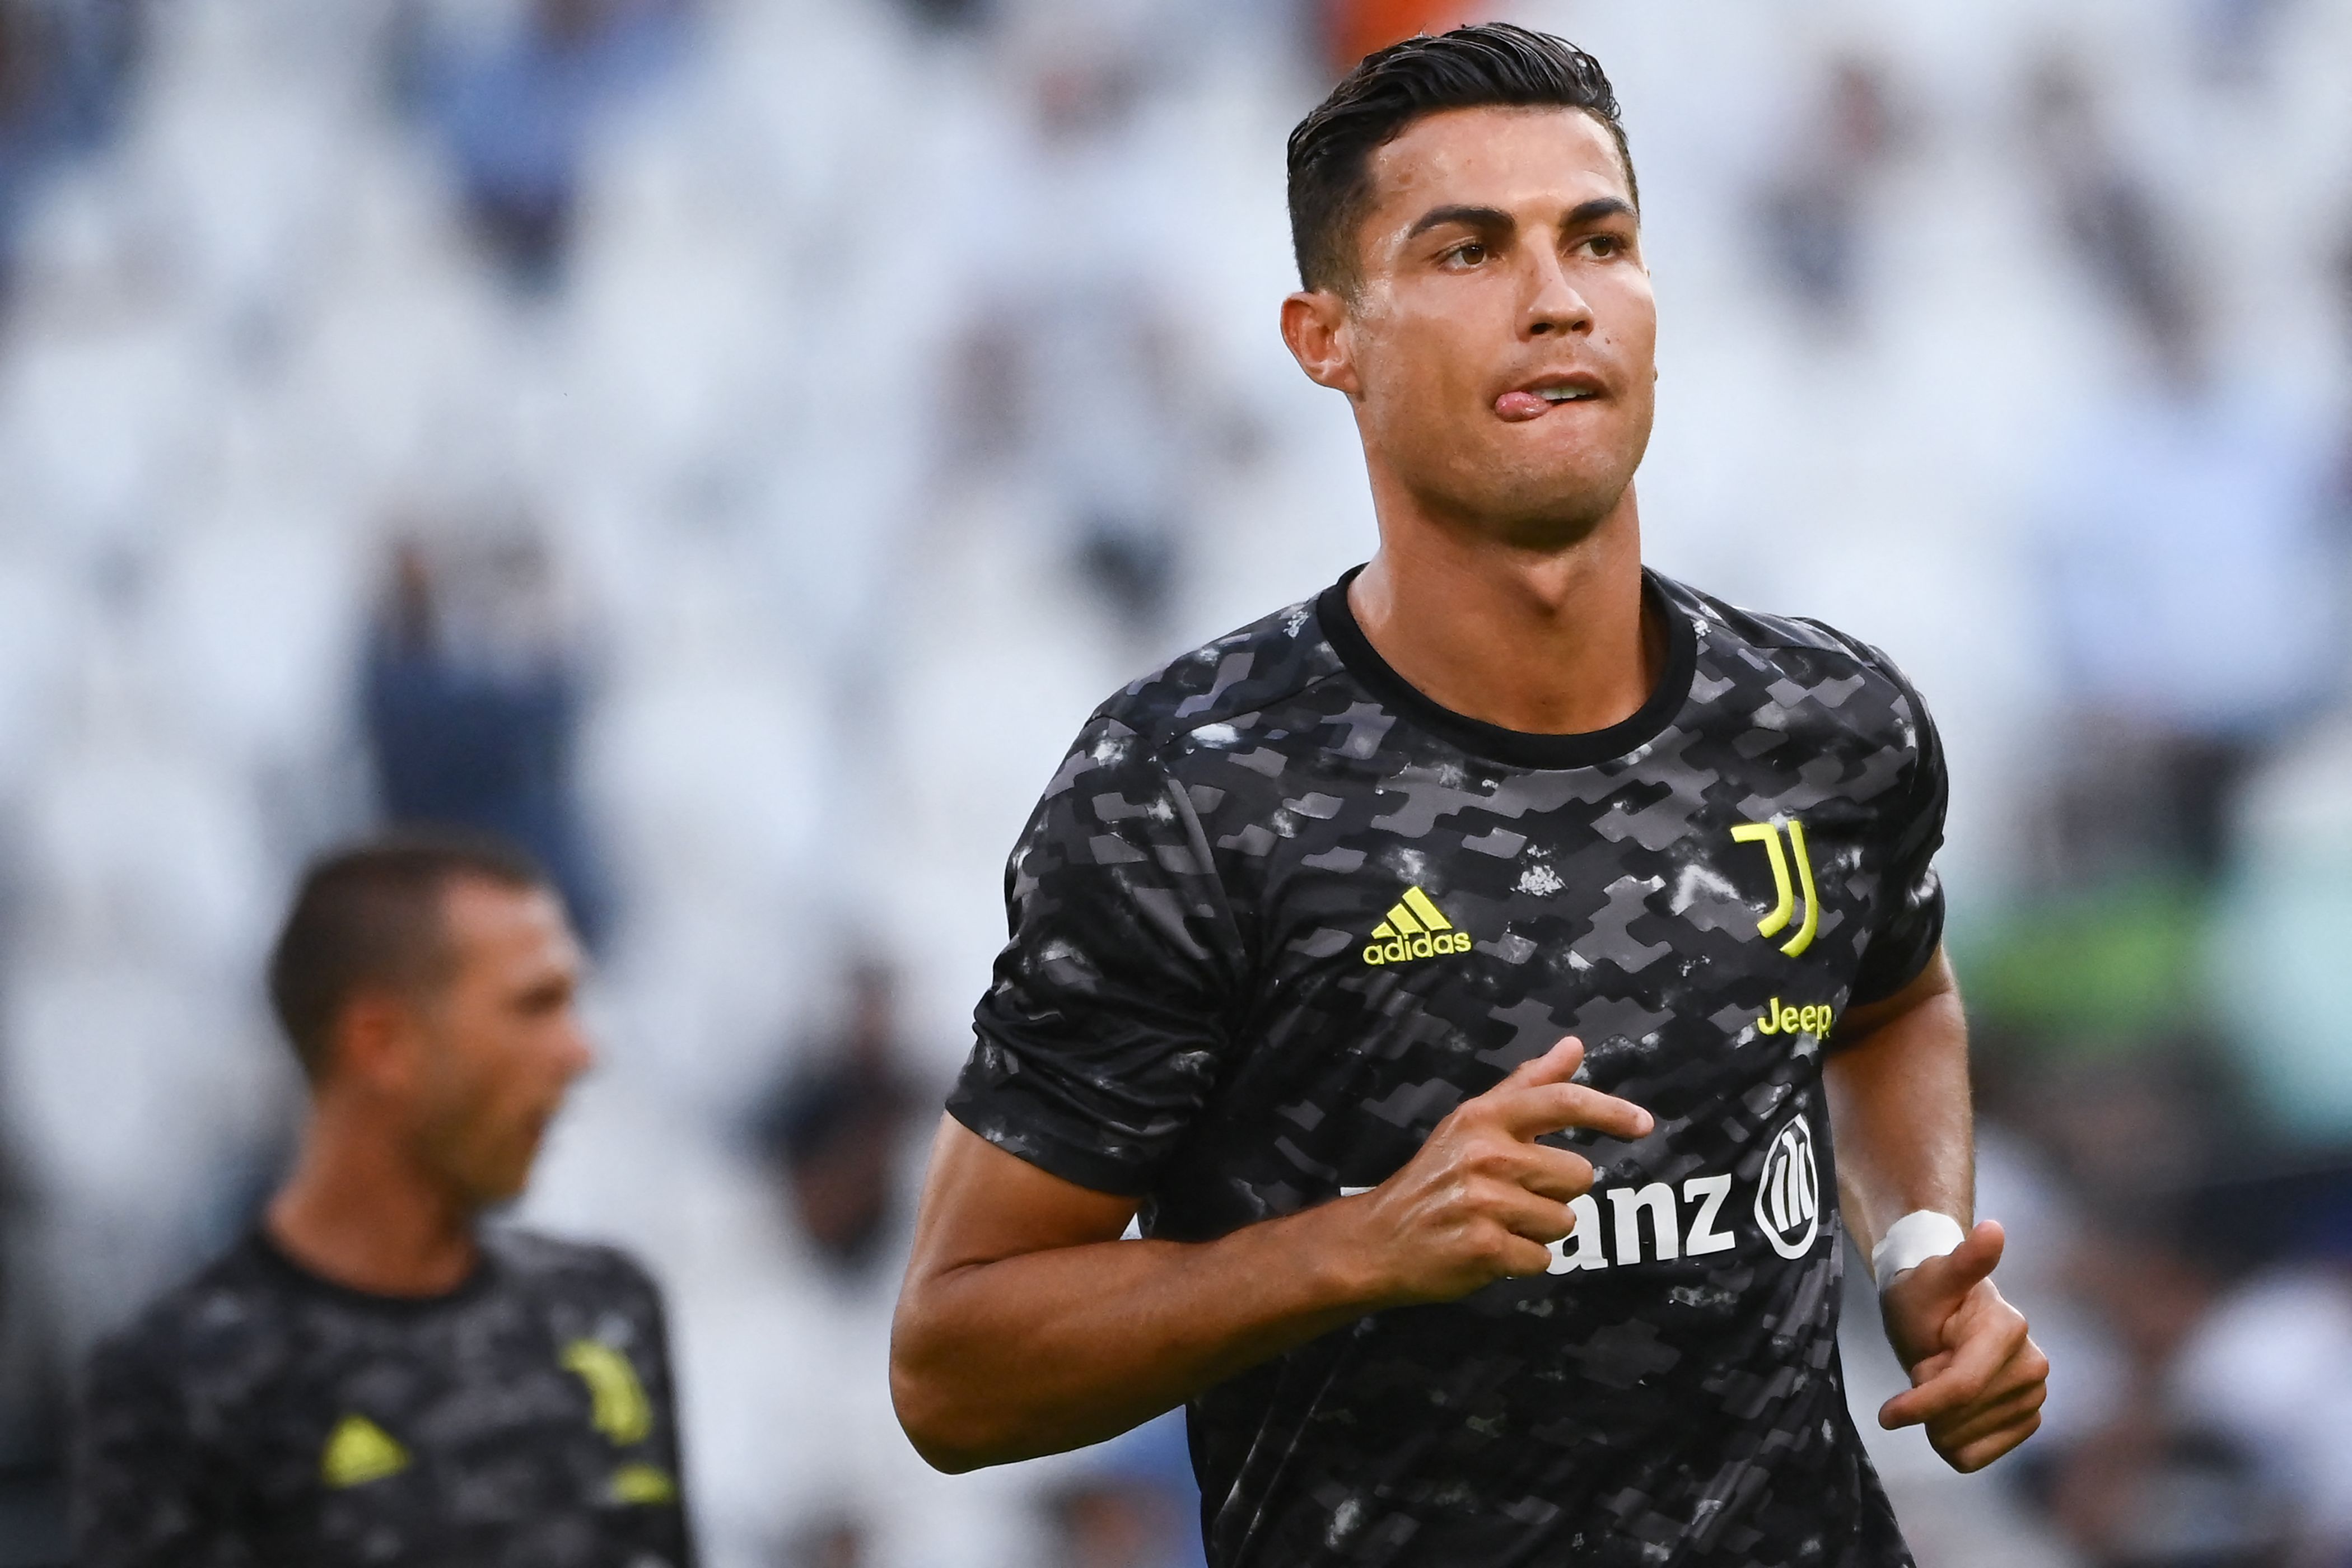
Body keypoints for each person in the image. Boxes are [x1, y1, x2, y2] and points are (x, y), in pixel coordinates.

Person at [891, 26, 2047, 1567]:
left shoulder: (1826, 725)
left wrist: (1915, 1251)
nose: (1557, 295)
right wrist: (1355, 1248)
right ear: (1328, 338)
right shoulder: (1190, 793)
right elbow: (953, 1369)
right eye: (1468, 250)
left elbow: (1894, 1000)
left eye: (1600, 238)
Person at [72, 836, 696, 1567]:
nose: (579, 1053)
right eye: (533, 1006)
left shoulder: (605, 1308)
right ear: (381, 1044)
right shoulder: (179, 1382)